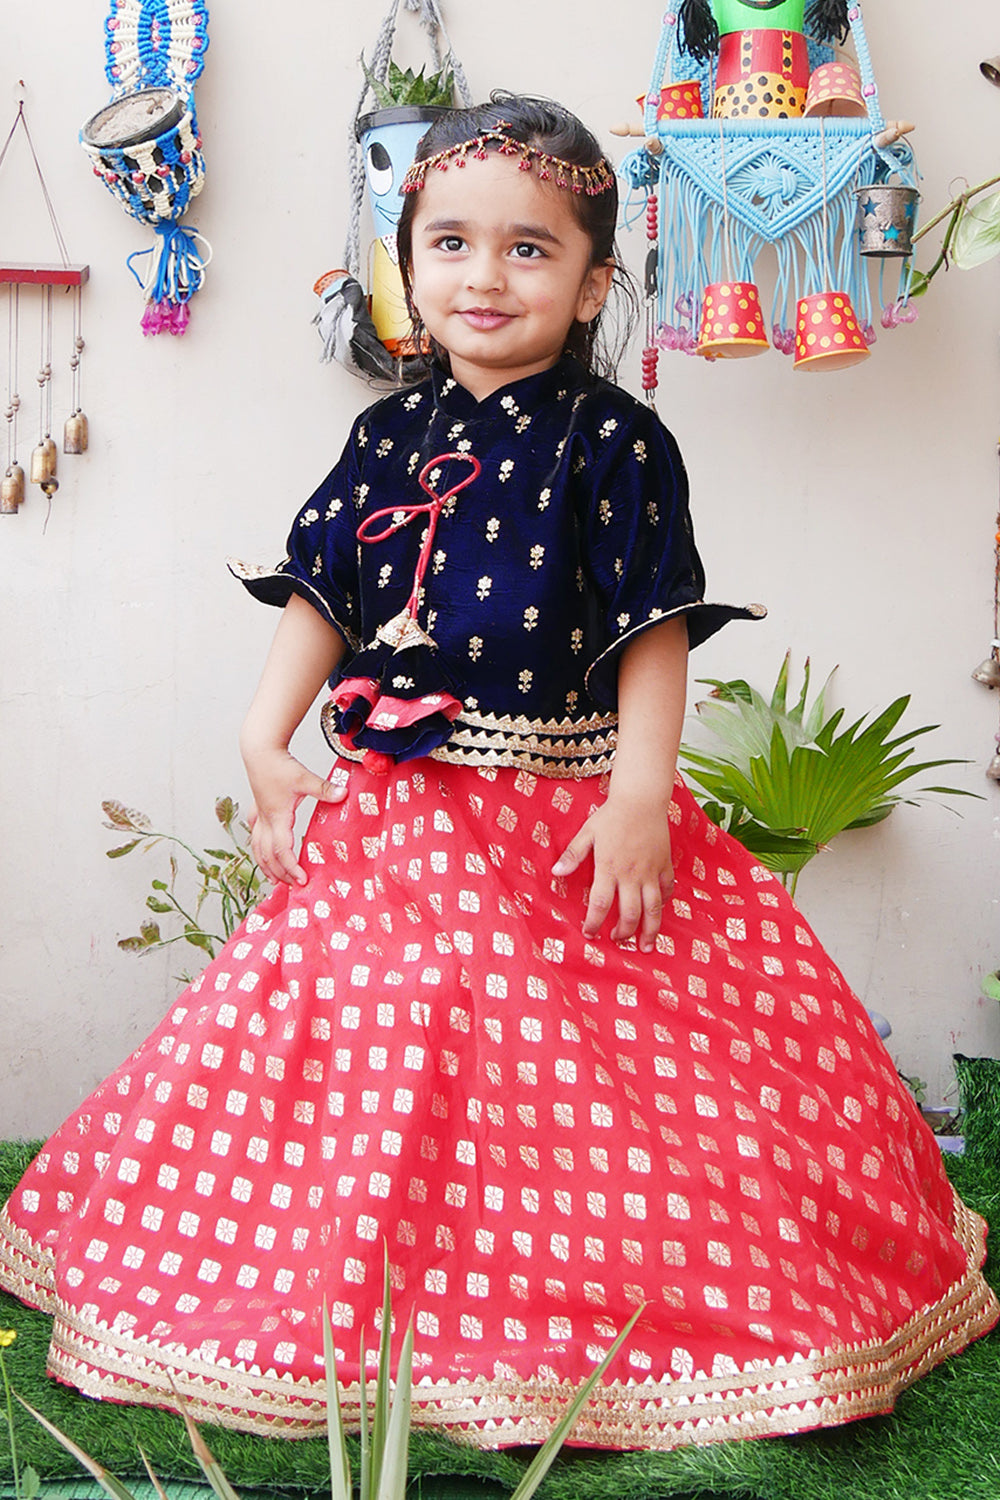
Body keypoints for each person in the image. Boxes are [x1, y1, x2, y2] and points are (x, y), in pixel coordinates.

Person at [0, 95, 995, 1453]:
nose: (484, 276)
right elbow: (322, 595)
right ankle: (363, 1299)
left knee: (611, 1078)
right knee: (378, 1060)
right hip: (396, 823)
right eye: (449, 242)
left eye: (531, 250)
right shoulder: (382, 441)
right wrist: (261, 741)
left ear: (593, 282)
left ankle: (615, 1311)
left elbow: (654, 623)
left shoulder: (618, 442)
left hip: (566, 823)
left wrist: (642, 796)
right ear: (404, 265)